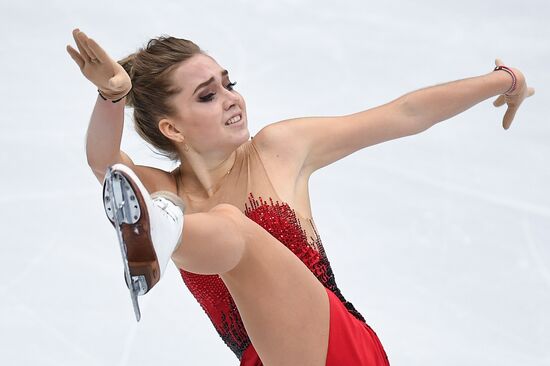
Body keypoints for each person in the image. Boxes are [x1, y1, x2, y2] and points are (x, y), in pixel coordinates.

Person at [66, 28, 534, 366]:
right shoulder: (164, 189)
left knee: (232, 227)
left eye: (230, 84)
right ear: (172, 128)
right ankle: (161, 234)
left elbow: (405, 113)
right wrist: (112, 96)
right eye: (208, 97)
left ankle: (166, 233)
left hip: (341, 349)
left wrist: (505, 80)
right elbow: (103, 163)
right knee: (196, 218)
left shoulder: (278, 150)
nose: (231, 98)